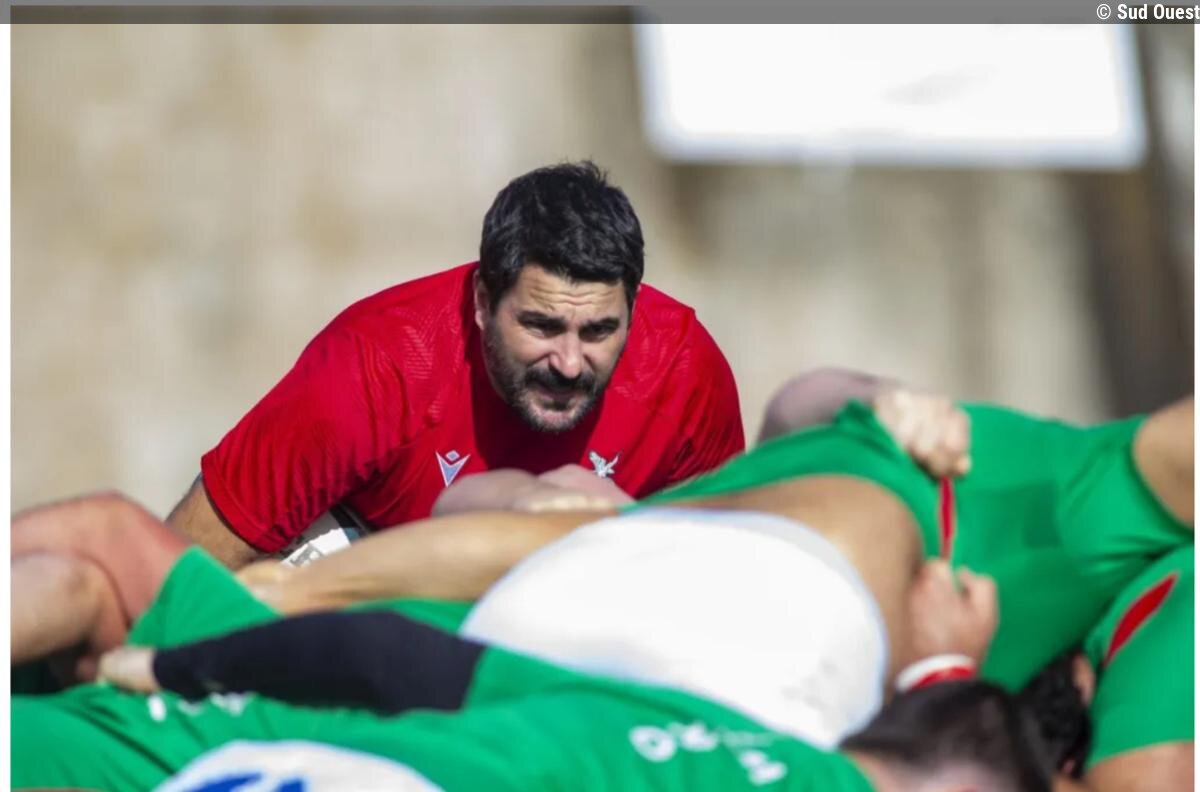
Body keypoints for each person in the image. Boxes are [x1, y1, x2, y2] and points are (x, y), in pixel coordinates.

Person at [166, 160, 744, 568]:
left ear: (633, 308)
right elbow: (182, 571)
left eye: (599, 331)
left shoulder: (685, 371)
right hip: (361, 607)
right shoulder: (374, 368)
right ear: (483, 303)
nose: (570, 364)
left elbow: (733, 572)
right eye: (541, 326)